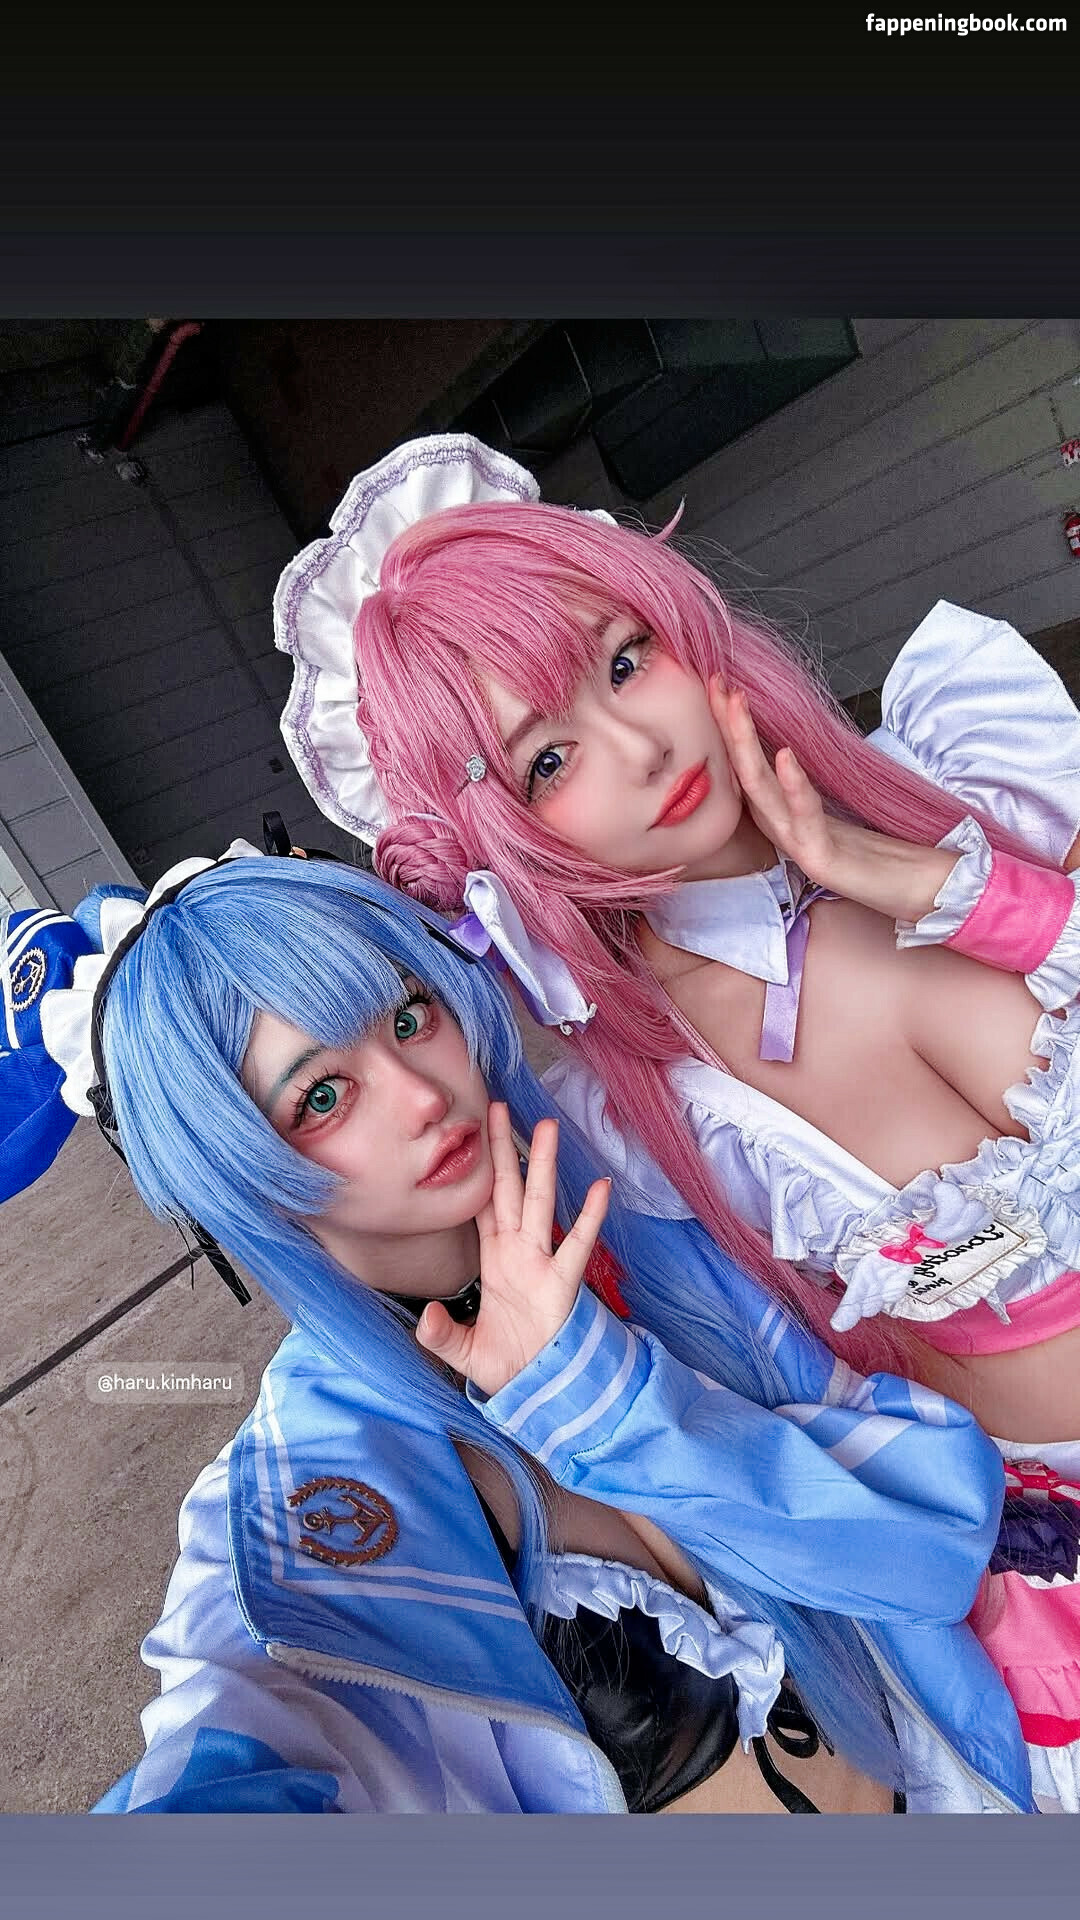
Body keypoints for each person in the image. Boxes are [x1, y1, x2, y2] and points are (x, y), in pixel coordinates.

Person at [271, 434, 1080, 1807]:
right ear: (503, 842)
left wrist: (926, 881)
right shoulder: (645, 1105)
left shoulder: (971, 772)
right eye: (548, 760)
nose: (642, 750)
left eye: (624, 658)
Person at [4, 847, 1040, 1811]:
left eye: (409, 1015)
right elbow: (239, 1748)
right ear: (238, 1176)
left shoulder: (650, 1204)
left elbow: (940, 1541)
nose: (421, 1095)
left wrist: (604, 1398)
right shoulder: (302, 1496)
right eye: (321, 1096)